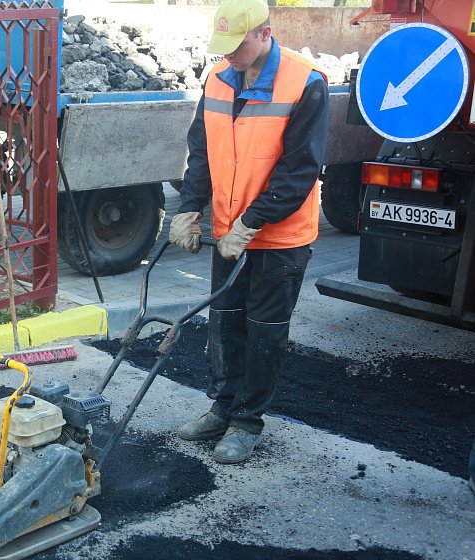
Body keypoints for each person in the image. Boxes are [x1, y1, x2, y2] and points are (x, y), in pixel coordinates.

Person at [168, 0, 329, 464]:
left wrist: (252, 221)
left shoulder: (305, 83)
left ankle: (246, 422)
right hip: (228, 233)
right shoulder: (218, 77)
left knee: (264, 332)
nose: (228, 55)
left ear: (264, 33)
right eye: (223, 46)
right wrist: (190, 207)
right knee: (225, 322)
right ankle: (221, 408)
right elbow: (202, 150)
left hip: (279, 238)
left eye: (236, 45)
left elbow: (300, 170)